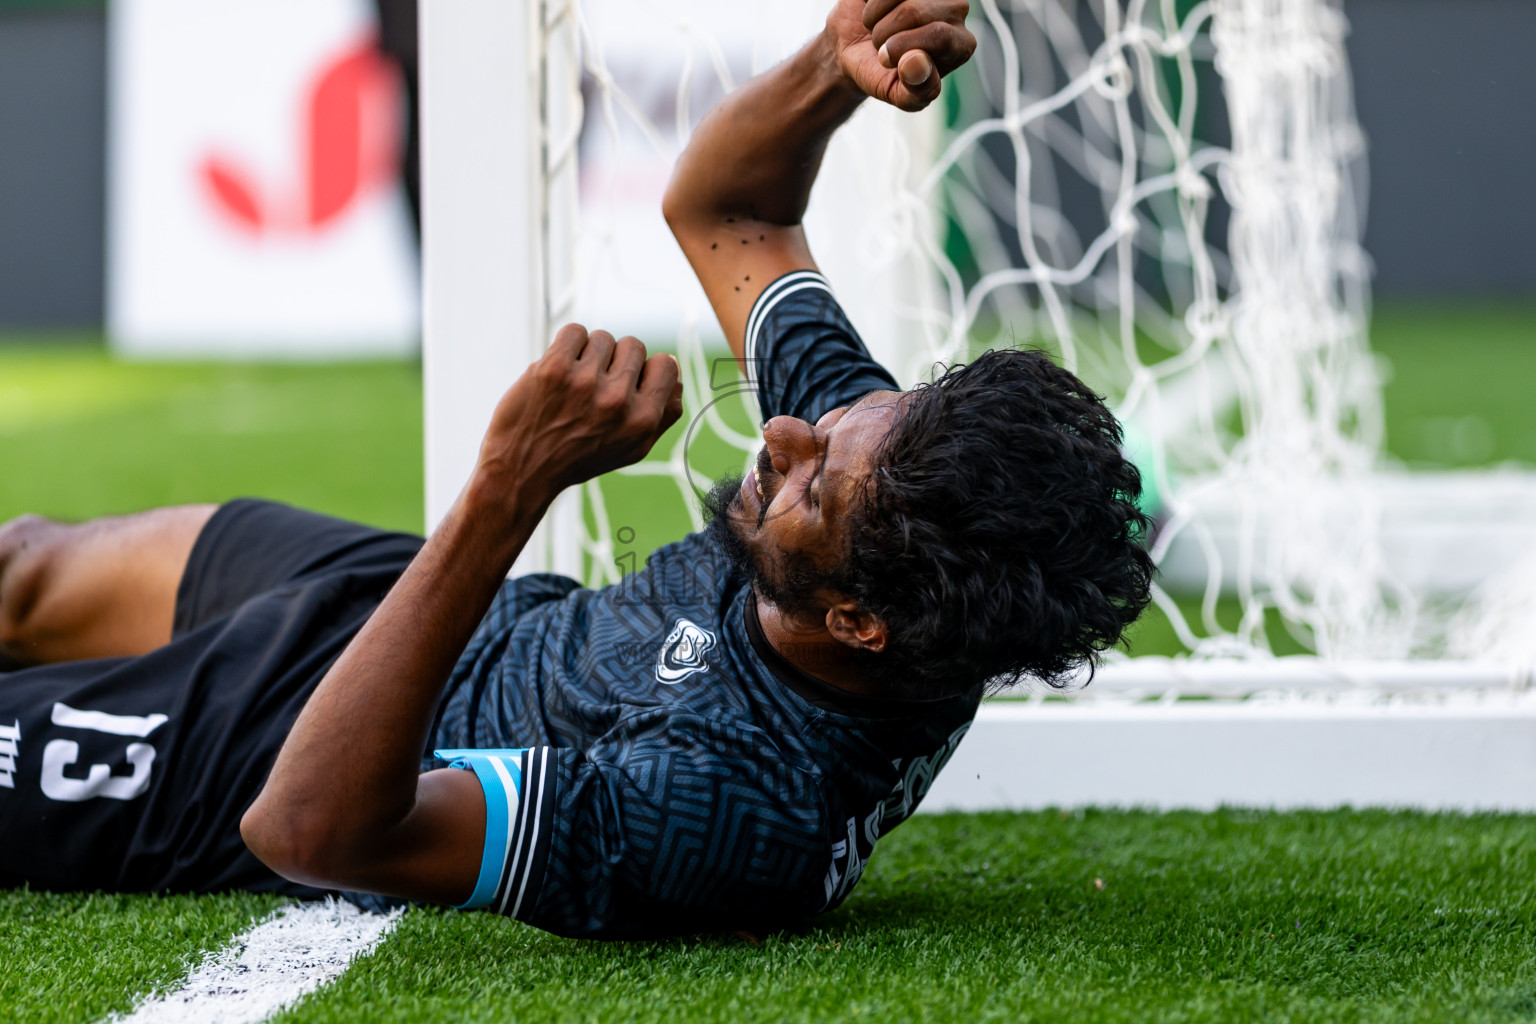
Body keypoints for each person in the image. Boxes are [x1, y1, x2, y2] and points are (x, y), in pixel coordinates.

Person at [0, 0, 1151, 938]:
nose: (787, 436)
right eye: (836, 423)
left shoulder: (738, 806)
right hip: (428, 609)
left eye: (811, 483)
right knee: (26, 571)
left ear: (857, 619)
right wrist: (833, 64)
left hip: (308, 749)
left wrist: (510, 486)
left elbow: (313, 829)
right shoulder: (891, 492)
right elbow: (732, 207)